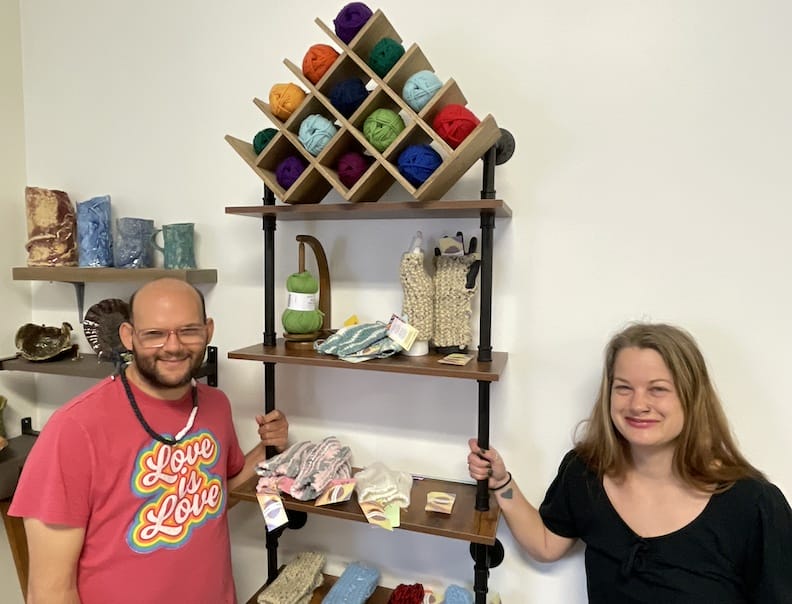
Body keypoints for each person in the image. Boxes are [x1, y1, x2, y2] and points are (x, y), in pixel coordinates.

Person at [10, 278, 289, 604]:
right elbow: (49, 592)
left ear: (208, 331)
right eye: (154, 334)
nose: (173, 346)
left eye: (188, 330)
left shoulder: (216, 405)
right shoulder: (74, 429)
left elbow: (212, 498)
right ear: (128, 336)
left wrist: (268, 448)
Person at [468, 322, 792, 603]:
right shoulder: (585, 472)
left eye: (658, 389)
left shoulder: (754, 506)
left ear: (692, 397)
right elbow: (545, 543)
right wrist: (501, 484)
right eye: (623, 388)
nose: (638, 404)